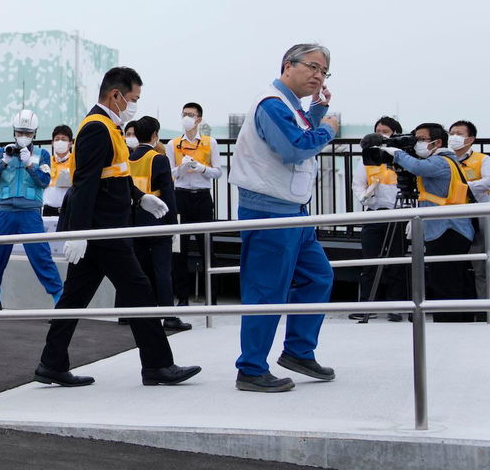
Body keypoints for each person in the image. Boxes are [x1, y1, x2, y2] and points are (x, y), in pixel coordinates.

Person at [34, 67, 201, 388]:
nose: (135, 105)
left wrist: (140, 199)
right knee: (139, 290)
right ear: (116, 95)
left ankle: (51, 363)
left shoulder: (110, 127)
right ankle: (158, 365)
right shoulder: (96, 128)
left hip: (103, 230)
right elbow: (83, 183)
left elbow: (116, 175)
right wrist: (80, 233)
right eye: (134, 99)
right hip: (102, 231)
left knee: (73, 298)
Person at [228, 43, 340, 392]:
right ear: (287, 66)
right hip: (269, 211)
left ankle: (298, 351)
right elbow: (294, 148)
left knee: (318, 277)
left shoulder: (291, 106)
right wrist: (330, 129)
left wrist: (318, 112)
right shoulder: (272, 104)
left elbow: (299, 136)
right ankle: (251, 369)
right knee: (266, 291)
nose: (318, 75)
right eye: (313, 67)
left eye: (324, 71)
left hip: (294, 211)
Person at [381, 123, 477, 322]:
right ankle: (463, 321)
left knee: (445, 281)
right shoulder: (443, 160)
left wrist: (397, 153)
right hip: (447, 228)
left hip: (447, 229)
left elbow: (417, 167)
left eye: (422, 140)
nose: (418, 144)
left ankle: (450, 324)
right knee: (454, 278)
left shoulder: (441, 161)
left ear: (437, 142)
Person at [0, 109, 63, 311]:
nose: (24, 136)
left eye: (28, 133)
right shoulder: (3, 152)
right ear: (14, 131)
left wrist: (29, 165)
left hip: (30, 212)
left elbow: (45, 181)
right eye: (21, 132)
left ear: (35, 134)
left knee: (40, 255)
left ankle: (60, 301)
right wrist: (3, 162)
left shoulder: (42, 154)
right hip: (5, 211)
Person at [126, 116, 190, 332]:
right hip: (157, 220)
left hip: (134, 221)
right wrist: (173, 224)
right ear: (155, 135)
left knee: (139, 271)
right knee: (163, 270)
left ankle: (140, 313)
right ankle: (169, 316)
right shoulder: (159, 158)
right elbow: (168, 194)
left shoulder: (129, 158)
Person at [349, 116, 407, 321]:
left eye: (386, 131)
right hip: (375, 213)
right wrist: (364, 197)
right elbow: (358, 184)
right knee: (370, 260)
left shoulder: (400, 156)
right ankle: (366, 304)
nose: (381, 134)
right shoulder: (366, 159)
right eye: (378, 131)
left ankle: (396, 306)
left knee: (397, 261)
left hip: (398, 213)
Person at [166, 103, 223, 306]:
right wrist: (181, 169)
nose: (187, 118)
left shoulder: (210, 142)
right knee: (179, 250)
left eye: (191, 115)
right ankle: (182, 297)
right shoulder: (173, 144)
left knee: (206, 247)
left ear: (199, 119)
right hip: (180, 197)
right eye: (184, 114)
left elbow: (218, 171)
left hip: (202, 197)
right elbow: (169, 174)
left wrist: (201, 168)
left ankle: (212, 298)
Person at [449, 120, 489, 303]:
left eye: (459, 134)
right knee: (456, 264)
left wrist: (462, 187)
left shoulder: (483, 159)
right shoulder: (446, 160)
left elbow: (487, 182)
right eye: (451, 133)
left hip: (480, 215)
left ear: (470, 139)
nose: (454, 137)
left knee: (482, 265)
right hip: (453, 215)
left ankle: (484, 307)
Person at [43, 124, 75, 217]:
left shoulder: (76, 161)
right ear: (52, 143)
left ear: (70, 143)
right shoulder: (46, 161)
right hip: (48, 210)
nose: (60, 142)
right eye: (57, 139)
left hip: (70, 209)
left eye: (64, 139)